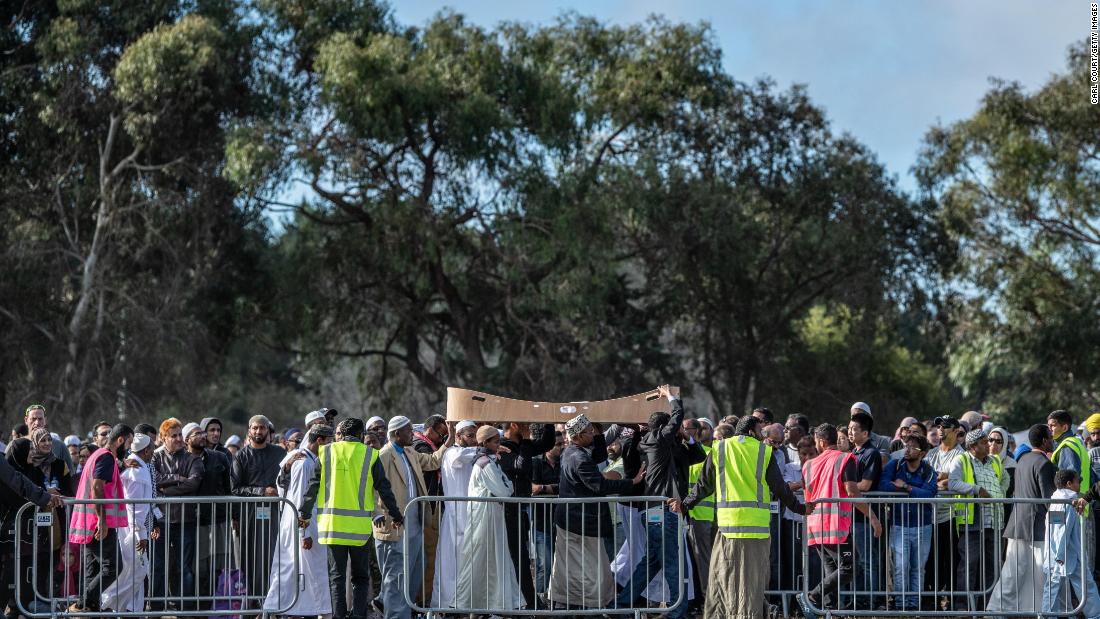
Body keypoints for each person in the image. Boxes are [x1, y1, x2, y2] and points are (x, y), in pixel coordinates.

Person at [675, 415, 807, 618]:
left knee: (723, 578)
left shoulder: (720, 448)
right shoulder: (763, 451)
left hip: (728, 527)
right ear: (753, 432)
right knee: (752, 583)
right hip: (758, 530)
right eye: (760, 432)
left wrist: (684, 506)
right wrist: (800, 508)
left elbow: (703, 486)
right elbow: (779, 488)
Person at [297, 417, 402, 619]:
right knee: (360, 577)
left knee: (336, 577)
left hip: (332, 527)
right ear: (362, 434)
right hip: (359, 530)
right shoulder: (370, 455)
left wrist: (304, 515)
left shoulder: (326, 452)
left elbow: (312, 487)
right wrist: (396, 515)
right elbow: (384, 489)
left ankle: (338, 616)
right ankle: (359, 616)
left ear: (342, 434)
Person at [616, 386, 705, 619]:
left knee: (652, 562)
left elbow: (699, 456)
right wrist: (670, 397)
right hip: (661, 511)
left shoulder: (669, 449)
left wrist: (689, 438)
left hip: (662, 511)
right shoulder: (655, 440)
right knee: (674, 562)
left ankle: (621, 604)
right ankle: (678, 611)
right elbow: (676, 419)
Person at [547, 414, 643, 609]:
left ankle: (570, 603)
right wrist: (632, 482)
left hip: (574, 521)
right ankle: (592, 606)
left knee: (574, 568)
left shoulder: (573, 452)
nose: (593, 435)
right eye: (590, 432)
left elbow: (598, 454)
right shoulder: (578, 458)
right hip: (579, 522)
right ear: (579, 436)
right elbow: (599, 485)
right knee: (593, 569)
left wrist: (606, 426)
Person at [798, 423, 882, 618]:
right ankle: (811, 597)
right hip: (836, 526)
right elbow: (852, 492)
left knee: (832, 570)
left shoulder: (808, 465)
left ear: (820, 441)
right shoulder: (845, 459)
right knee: (849, 568)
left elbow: (807, 498)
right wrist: (873, 517)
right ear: (834, 439)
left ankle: (831, 611)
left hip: (815, 526)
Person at [373, 415, 453, 619]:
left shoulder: (410, 451)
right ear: (396, 433)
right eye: (408, 431)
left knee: (417, 568)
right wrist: (377, 514)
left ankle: (398, 609)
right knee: (397, 575)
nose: (413, 433)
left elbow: (434, 461)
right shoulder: (384, 455)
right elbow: (372, 489)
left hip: (415, 521)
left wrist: (450, 438)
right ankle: (395, 614)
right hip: (394, 523)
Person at [264, 424, 334, 616]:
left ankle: (284, 608)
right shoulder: (305, 464)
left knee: (294, 569)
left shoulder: (306, 458)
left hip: (297, 523)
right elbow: (301, 500)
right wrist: (304, 532)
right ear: (319, 440)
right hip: (303, 524)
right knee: (303, 570)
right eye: (329, 442)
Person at [986, 424, 1057, 616]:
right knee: (1039, 574)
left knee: (1013, 573)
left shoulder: (1022, 460)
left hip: (1018, 524)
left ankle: (997, 609)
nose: (1052, 439)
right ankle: (1040, 610)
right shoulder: (1044, 464)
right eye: (1050, 437)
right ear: (1044, 441)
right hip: (1036, 527)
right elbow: (1050, 500)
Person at [455, 425, 524, 611]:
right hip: (484, 518)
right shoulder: (484, 463)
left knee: (492, 562)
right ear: (485, 442)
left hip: (491, 516)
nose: (498, 444)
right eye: (495, 441)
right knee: (478, 562)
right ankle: (466, 607)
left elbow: (506, 487)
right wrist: (505, 487)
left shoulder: (488, 461)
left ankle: (488, 607)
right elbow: (504, 490)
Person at [69, 423, 133, 613]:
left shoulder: (97, 455)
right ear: (120, 440)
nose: (128, 448)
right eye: (128, 443)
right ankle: (81, 606)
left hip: (89, 523)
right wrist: (103, 520)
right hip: (99, 524)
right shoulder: (106, 458)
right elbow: (97, 487)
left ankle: (89, 609)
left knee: (93, 572)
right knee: (112, 568)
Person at [496, 418, 555, 610]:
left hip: (519, 512)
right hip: (507, 513)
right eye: (524, 424)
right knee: (517, 560)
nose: (528, 427)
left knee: (521, 559)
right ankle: (527, 603)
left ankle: (529, 601)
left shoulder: (520, 445)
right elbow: (522, 467)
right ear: (514, 425)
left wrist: (550, 421)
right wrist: (528, 439)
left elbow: (547, 444)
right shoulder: (502, 447)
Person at [948, 428, 1008, 611]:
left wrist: (1001, 491)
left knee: (993, 565)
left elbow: (1005, 479)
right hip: (972, 521)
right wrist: (976, 490)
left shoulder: (995, 461)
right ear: (973, 447)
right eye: (984, 442)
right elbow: (953, 482)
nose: (988, 445)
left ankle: (989, 607)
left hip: (994, 521)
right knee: (969, 565)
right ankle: (963, 607)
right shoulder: (962, 459)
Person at [230, 415, 287, 603]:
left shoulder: (279, 453)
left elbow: (287, 478)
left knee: (274, 556)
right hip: (250, 514)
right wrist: (261, 491)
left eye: (262, 428)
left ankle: (273, 602)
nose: (258, 431)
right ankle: (253, 603)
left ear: (267, 431)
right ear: (249, 431)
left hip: (275, 513)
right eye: (254, 428)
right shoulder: (241, 456)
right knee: (251, 559)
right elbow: (235, 489)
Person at [878, 433, 937, 610]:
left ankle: (914, 605)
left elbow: (930, 493)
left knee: (917, 568)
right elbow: (882, 485)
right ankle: (901, 604)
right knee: (900, 567)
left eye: (913, 447)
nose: (907, 449)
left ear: (923, 453)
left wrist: (905, 487)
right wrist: (910, 490)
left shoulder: (928, 470)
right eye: (906, 445)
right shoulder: (894, 465)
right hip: (899, 524)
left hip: (922, 525)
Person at [100, 432, 158, 613]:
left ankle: (129, 610)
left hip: (129, 528)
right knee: (137, 572)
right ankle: (105, 603)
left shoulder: (135, 467)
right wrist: (140, 534)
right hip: (131, 530)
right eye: (152, 450)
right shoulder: (137, 472)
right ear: (146, 451)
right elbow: (135, 509)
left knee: (133, 573)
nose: (153, 452)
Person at [150, 419, 204, 609]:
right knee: (158, 566)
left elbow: (193, 484)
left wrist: (166, 491)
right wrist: (176, 478)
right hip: (160, 522)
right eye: (174, 436)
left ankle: (186, 609)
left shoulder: (193, 459)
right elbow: (153, 479)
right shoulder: (155, 457)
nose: (179, 439)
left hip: (185, 521)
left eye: (180, 434)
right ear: (164, 438)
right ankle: (156, 608)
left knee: (185, 568)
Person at [432, 420, 481, 609]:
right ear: (459, 436)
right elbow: (459, 457)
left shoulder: (471, 453)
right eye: (470, 435)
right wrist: (486, 449)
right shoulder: (453, 452)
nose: (475, 440)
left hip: (469, 516)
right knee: (451, 565)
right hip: (455, 517)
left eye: (475, 435)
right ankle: (448, 606)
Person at [1045, 470, 1100, 618]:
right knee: (1086, 586)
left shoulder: (1058, 501)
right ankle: (1095, 616)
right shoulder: (1067, 503)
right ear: (1069, 484)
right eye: (1078, 481)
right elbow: (1061, 531)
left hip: (1061, 554)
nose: (1080, 484)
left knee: (1052, 588)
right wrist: (1059, 555)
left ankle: (1047, 615)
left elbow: (1057, 530)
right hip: (1068, 555)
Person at [188, 418, 233, 599]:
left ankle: (211, 604)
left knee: (216, 565)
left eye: (218, 430)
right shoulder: (186, 456)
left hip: (218, 519)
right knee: (197, 566)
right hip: (194, 520)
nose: (214, 433)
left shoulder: (221, 456)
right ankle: (195, 604)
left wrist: (233, 515)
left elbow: (229, 489)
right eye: (210, 430)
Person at [1048, 409, 1096, 573]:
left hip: (1074, 508)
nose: (1050, 429)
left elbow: (1069, 481)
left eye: (1053, 425)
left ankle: (1079, 598)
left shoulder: (1067, 447)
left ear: (1065, 426)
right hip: (1081, 505)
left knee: (1076, 561)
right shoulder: (1077, 443)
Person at [924, 414, 964, 605]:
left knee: (950, 561)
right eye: (938, 425)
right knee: (931, 561)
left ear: (956, 431)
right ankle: (931, 600)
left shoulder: (961, 455)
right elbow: (926, 480)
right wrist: (942, 479)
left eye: (945, 426)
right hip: (929, 516)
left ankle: (951, 601)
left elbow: (955, 483)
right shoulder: (931, 454)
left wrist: (945, 479)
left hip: (951, 516)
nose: (940, 429)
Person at [847, 410, 883, 609]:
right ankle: (859, 599)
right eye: (849, 428)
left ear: (866, 433)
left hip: (866, 516)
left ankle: (872, 599)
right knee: (857, 562)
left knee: (869, 561)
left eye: (854, 429)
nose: (850, 433)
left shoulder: (871, 454)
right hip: (851, 514)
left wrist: (846, 486)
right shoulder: (852, 453)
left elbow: (866, 484)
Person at [411, 413, 447, 605]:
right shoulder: (421, 445)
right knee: (428, 557)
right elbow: (433, 462)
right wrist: (448, 444)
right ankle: (423, 602)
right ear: (430, 430)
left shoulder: (425, 444)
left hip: (429, 507)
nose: (442, 439)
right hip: (427, 508)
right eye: (441, 435)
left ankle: (424, 599)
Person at [531, 430, 564, 597]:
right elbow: (532, 488)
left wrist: (545, 488)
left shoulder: (565, 462)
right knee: (545, 563)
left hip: (562, 523)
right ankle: (540, 599)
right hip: (541, 522)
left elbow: (567, 486)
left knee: (561, 564)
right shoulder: (536, 463)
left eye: (563, 443)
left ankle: (556, 598)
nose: (562, 447)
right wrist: (551, 488)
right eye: (558, 444)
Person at [22, 405, 75, 474]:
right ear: (26, 420)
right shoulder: (16, 445)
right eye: (33, 419)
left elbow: (70, 475)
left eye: (40, 419)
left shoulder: (59, 446)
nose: (37, 423)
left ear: (45, 420)